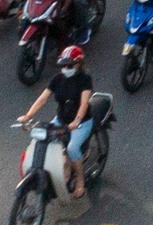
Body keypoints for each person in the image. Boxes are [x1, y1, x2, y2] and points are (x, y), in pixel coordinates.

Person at [17, 45, 95, 199]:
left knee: (72, 147)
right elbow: (43, 98)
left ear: (79, 64)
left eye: (70, 65)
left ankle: (80, 181)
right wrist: (28, 116)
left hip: (81, 123)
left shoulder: (85, 79)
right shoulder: (58, 79)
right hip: (60, 119)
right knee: (44, 140)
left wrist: (77, 121)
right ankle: (61, 169)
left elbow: (84, 103)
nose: (66, 68)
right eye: (63, 65)